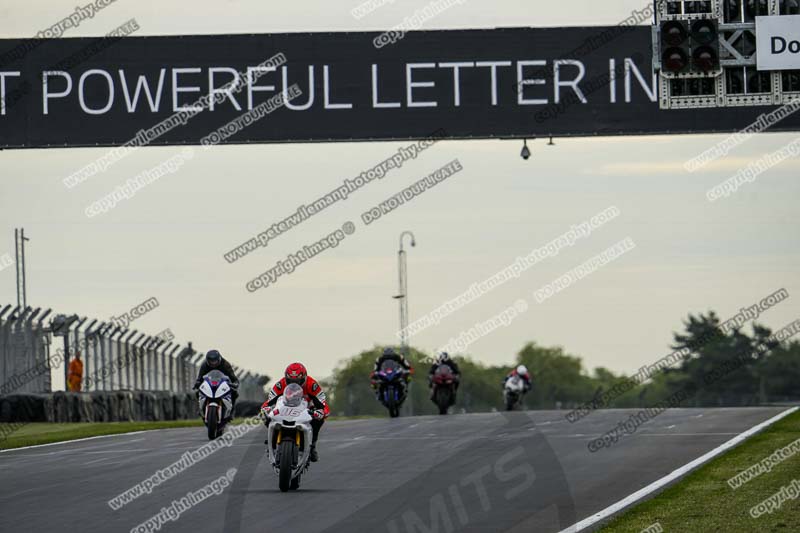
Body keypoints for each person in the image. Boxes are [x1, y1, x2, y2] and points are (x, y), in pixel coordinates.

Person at [261, 362, 329, 462]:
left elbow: (323, 404)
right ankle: (272, 442)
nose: (294, 384)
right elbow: (269, 400)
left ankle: (312, 445)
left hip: (306, 408)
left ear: (304, 377)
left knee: (319, 419)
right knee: (266, 415)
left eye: (298, 381)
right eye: (291, 381)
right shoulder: (281, 384)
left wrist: (321, 412)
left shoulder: (312, 384)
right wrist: (266, 408)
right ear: (286, 378)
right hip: (285, 407)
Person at [193, 350, 239, 417]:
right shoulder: (204, 365)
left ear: (219, 359)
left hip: (223, 384)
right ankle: (200, 409)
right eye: (211, 361)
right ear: (208, 361)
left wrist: (235, 383)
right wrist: (197, 383)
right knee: (197, 392)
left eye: (215, 361)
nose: (213, 363)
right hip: (209, 384)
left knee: (234, 393)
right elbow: (200, 378)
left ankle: (231, 410)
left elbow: (233, 378)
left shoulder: (226, 364)